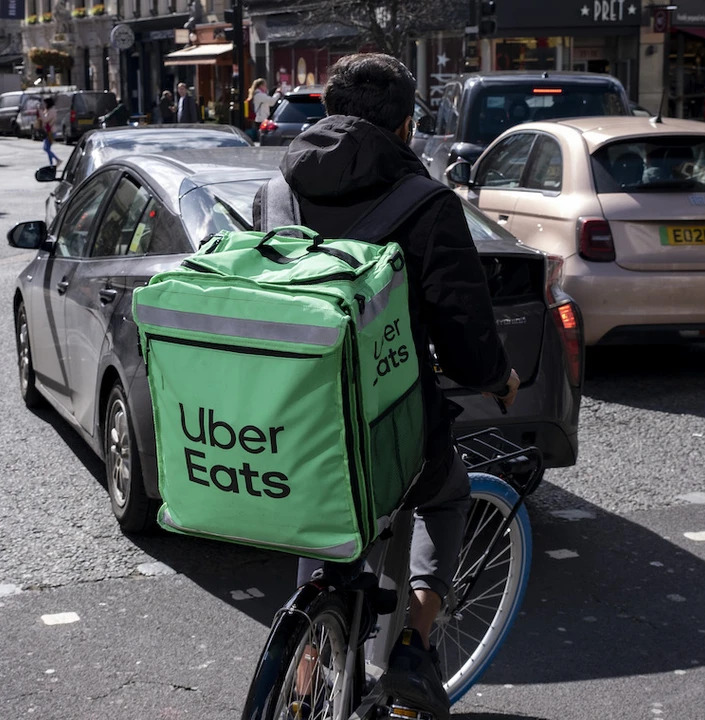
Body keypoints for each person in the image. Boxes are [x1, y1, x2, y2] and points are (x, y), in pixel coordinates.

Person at [258, 53, 519, 720]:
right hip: (387, 416)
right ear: (407, 128)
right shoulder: (428, 204)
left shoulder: (277, 191)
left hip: (291, 409)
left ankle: (305, 674)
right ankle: (412, 644)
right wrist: (497, 378)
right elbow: (464, 329)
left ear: (323, 110)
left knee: (323, 514)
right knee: (446, 492)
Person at [40, 96, 61, 166]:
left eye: (45, 103)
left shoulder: (51, 111)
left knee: (45, 148)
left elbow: (46, 120)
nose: (44, 105)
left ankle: (57, 160)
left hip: (50, 131)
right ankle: (51, 164)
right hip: (50, 131)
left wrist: (41, 114)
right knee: (48, 148)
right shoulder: (50, 110)